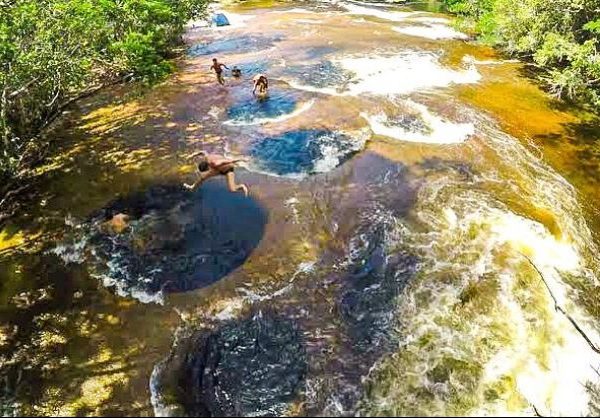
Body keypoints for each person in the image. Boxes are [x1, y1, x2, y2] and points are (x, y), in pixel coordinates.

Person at [184, 151, 249, 196]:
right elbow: (203, 152)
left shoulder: (216, 163)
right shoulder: (207, 159)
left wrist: (242, 159)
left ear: (208, 167)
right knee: (203, 178)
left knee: (232, 189)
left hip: (228, 170)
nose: (207, 171)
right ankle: (192, 187)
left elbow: (229, 161)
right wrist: (192, 155)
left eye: (206, 170)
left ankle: (241, 186)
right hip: (219, 169)